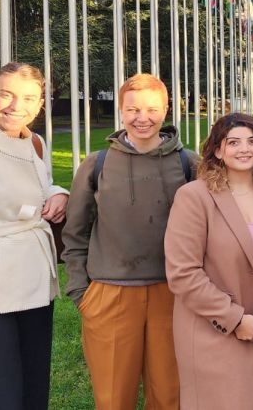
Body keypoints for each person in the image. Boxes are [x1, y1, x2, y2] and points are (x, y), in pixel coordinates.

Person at [62, 73, 197, 410]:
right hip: (110, 294)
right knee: (112, 397)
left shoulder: (189, 163)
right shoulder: (97, 164)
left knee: (170, 395)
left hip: (173, 293)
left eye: (152, 108)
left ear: (166, 110)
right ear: (121, 110)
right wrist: (82, 292)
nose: (142, 117)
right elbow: (75, 232)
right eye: (133, 109)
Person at [165, 113, 253, 410]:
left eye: (252, 141)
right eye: (233, 142)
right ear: (218, 151)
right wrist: (235, 319)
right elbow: (183, 273)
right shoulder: (195, 197)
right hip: (214, 326)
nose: (244, 149)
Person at [0, 62, 68, 410]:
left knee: (34, 380)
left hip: (35, 278)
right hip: (0, 281)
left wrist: (58, 193)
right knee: (5, 386)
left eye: (28, 98)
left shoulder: (35, 143)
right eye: (5, 94)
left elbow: (38, 186)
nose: (16, 106)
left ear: (41, 103)